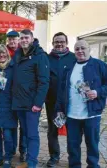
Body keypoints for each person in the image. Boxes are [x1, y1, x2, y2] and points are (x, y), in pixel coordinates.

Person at [56, 40, 107, 168]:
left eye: (83, 48)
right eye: (77, 49)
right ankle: (74, 165)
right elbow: (62, 90)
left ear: (89, 50)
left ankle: (93, 165)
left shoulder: (99, 65)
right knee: (72, 145)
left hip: (92, 114)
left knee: (92, 145)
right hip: (72, 115)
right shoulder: (69, 67)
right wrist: (59, 109)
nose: (80, 51)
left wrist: (97, 91)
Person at [12, 29, 50, 168]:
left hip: (32, 104)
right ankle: (27, 160)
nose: (24, 40)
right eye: (21, 38)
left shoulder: (40, 56)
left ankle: (32, 163)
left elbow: (44, 81)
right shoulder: (17, 54)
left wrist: (38, 103)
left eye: (26, 38)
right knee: (25, 132)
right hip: (19, 102)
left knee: (32, 134)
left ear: (32, 39)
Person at [45, 32, 76, 167]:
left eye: (62, 41)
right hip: (51, 101)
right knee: (52, 130)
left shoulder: (74, 58)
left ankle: (73, 158)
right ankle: (54, 157)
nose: (59, 44)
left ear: (66, 43)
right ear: (53, 43)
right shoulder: (46, 58)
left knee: (72, 131)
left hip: (70, 102)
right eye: (56, 41)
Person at [7, 30, 26, 162]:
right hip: (9, 95)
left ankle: (23, 150)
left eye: (14, 39)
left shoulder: (23, 52)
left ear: (18, 40)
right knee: (12, 124)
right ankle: (12, 148)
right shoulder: (4, 51)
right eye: (10, 39)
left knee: (24, 126)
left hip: (23, 94)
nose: (12, 41)